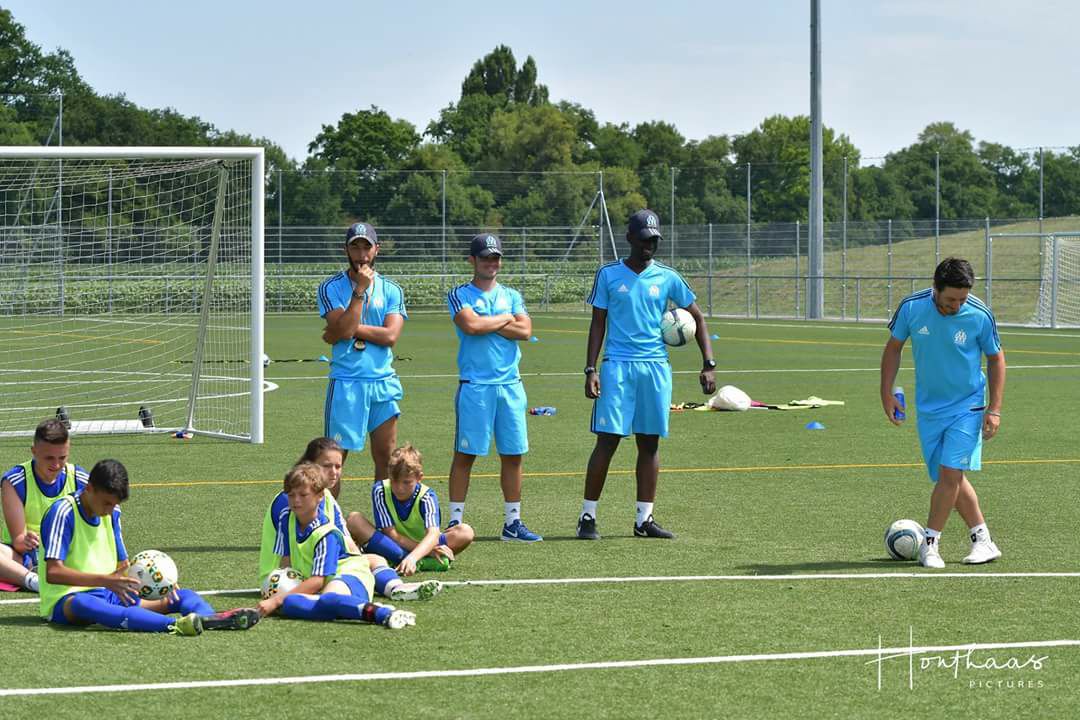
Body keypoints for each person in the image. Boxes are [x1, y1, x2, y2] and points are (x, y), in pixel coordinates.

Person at [577, 209, 717, 540]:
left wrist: (708, 363)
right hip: (618, 367)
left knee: (649, 444)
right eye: (643, 239)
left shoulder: (668, 277)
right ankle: (587, 517)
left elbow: (697, 318)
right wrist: (591, 369)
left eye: (654, 240)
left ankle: (644, 520)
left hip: (655, 367)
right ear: (630, 238)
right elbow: (598, 324)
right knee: (608, 441)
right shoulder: (608, 275)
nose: (649, 246)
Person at [881, 257, 1005, 569]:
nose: (957, 305)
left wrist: (995, 409)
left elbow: (996, 359)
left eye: (962, 299)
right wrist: (886, 391)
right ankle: (983, 539)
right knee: (948, 477)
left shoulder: (979, 314)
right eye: (951, 299)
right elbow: (893, 348)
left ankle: (931, 544)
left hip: (968, 405)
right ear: (935, 288)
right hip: (929, 408)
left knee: (950, 474)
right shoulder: (912, 308)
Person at [39, 459, 259, 635]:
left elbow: (124, 565)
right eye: (107, 502)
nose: (110, 509)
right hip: (67, 601)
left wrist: (156, 579)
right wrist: (107, 581)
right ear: (89, 488)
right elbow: (54, 572)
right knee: (84, 604)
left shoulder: (113, 513)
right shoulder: (63, 512)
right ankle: (175, 625)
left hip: (110, 591)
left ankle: (209, 619)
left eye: (115, 504)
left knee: (181, 596)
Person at [444, 233, 542, 542]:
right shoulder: (459, 294)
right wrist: (504, 320)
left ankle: (513, 523)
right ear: (472, 260)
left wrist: (490, 321)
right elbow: (470, 326)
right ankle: (454, 522)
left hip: (510, 386)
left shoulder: (511, 294)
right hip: (476, 387)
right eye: (485, 257)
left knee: (513, 455)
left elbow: (525, 330)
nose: (492, 262)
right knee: (465, 454)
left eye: (496, 257)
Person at [258, 438, 442, 601]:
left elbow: (347, 543)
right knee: (342, 586)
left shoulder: (326, 497)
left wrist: (360, 564)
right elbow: (287, 557)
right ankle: (375, 608)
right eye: (326, 466)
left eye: (338, 466)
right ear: (309, 465)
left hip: (314, 567)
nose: (334, 472)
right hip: (284, 577)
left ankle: (397, 589)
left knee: (373, 559)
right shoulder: (291, 500)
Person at [257, 463, 416, 629]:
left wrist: (275, 600)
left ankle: (381, 613)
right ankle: (347, 607)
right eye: (291, 495)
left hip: (351, 576)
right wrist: (280, 586)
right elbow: (286, 562)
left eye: (303, 495)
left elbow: (318, 581)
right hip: (324, 584)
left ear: (320, 496)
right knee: (290, 603)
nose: (296, 501)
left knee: (328, 599)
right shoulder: (287, 520)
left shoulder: (326, 534)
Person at [318, 221, 406, 481]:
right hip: (347, 383)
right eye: (355, 247)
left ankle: (383, 521)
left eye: (366, 247)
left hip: (382, 382)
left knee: (386, 459)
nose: (361, 254)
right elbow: (342, 331)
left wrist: (341, 330)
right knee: (332, 462)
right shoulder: (330, 287)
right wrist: (359, 292)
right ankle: (330, 522)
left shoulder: (392, 289)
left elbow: (390, 336)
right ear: (346, 250)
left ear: (376, 249)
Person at [348, 443, 474, 573]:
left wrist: (415, 556)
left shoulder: (427, 496)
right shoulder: (380, 490)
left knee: (465, 533)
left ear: (419, 478)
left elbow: (433, 534)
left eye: (406, 482)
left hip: (423, 543)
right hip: (392, 543)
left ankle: (397, 560)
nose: (399, 488)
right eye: (394, 482)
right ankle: (422, 562)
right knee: (354, 519)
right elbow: (391, 534)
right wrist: (427, 552)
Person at [1, 419, 88, 593]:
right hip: (26, 557)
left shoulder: (80, 478)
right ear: (34, 451)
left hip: (67, 556)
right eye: (49, 458)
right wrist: (25, 540)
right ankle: (35, 581)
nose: (56, 465)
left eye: (62, 458)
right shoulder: (15, 481)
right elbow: (18, 541)